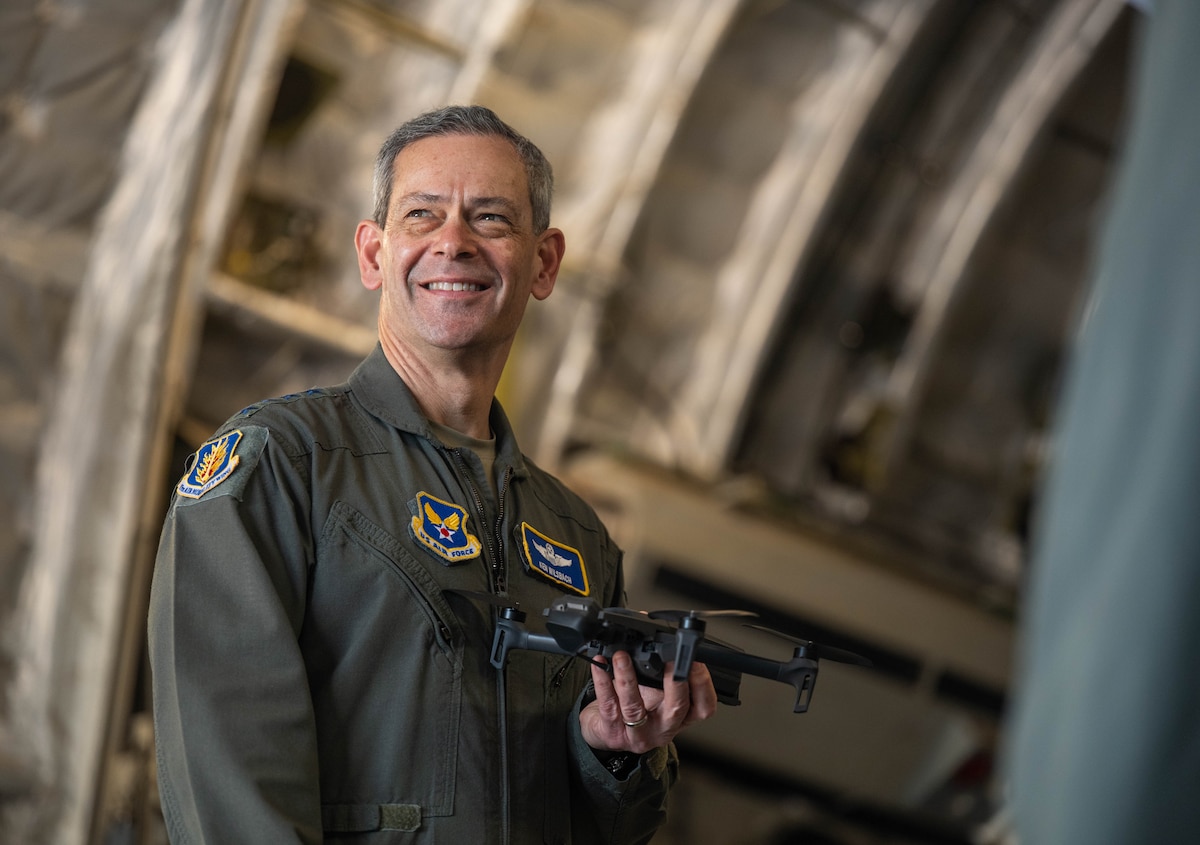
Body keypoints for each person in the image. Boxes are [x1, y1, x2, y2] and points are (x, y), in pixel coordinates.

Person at [148, 105, 718, 844]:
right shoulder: (282, 467)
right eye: (422, 215)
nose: (454, 243)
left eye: (489, 218)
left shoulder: (576, 536)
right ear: (373, 253)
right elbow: (227, 775)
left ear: (543, 262)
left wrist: (614, 753)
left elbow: (605, 827)